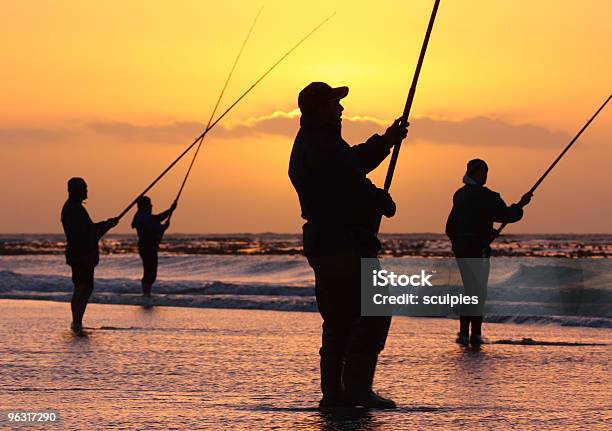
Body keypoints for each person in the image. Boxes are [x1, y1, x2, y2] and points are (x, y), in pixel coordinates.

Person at [288, 82, 408, 409]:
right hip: (343, 244)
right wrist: (381, 201)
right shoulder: (321, 146)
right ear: (319, 109)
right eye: (334, 103)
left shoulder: (318, 142)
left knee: (341, 320)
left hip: (328, 244)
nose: (341, 109)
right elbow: (350, 183)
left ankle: (336, 394)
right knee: (370, 314)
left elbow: (350, 164)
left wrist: (385, 142)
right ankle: (353, 390)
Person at [445, 159, 532, 346]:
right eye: (481, 172)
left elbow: (452, 225)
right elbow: (507, 215)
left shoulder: (459, 195)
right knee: (478, 292)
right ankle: (474, 335)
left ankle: (464, 334)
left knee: (470, 290)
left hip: (462, 250)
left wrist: (459, 244)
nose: (484, 175)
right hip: (478, 251)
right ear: (473, 173)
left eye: (486, 172)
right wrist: (521, 205)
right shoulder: (486, 195)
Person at [61, 177, 119, 334]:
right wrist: (107, 225)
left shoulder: (72, 208)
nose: (87, 190)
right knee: (84, 287)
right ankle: (77, 323)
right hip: (82, 255)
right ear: (76, 190)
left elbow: (89, 231)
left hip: (77, 253)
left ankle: (76, 322)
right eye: (84, 188)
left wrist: (107, 224)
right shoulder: (74, 209)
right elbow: (88, 233)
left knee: (80, 287)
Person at [131, 196, 176, 298]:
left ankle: (147, 293)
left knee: (150, 272)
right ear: (142, 206)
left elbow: (157, 219)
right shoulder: (142, 217)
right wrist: (164, 226)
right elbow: (154, 225)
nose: (151, 206)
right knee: (149, 272)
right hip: (147, 247)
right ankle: (146, 294)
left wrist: (170, 210)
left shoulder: (143, 216)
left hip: (148, 247)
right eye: (149, 204)